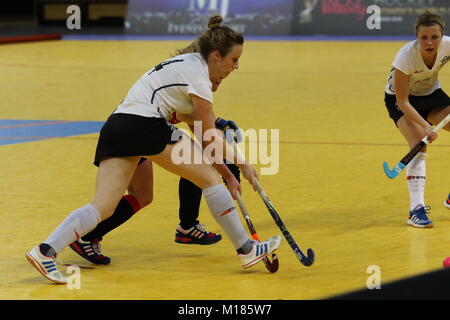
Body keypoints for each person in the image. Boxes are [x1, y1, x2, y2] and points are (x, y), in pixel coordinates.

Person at [25, 15, 281, 284]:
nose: (236, 67)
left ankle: (45, 251)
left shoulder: (184, 65)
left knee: (102, 206)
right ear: (216, 55)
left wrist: (229, 176)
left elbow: (198, 129)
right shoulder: (200, 78)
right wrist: (243, 164)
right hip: (144, 125)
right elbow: (208, 139)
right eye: (234, 60)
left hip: (117, 126)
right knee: (209, 180)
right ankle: (247, 249)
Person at [69, 117, 242, 265]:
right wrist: (232, 171)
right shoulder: (188, 86)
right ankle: (55, 246)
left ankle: (87, 236)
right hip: (138, 132)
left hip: (139, 132)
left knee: (142, 196)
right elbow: (201, 129)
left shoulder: (178, 85)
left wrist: (216, 123)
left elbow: (200, 119)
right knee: (105, 203)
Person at [384, 11, 450, 228]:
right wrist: (425, 126)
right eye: (424, 37)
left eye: (435, 37)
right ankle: (416, 210)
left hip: (431, 94)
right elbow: (402, 102)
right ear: (416, 37)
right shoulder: (405, 57)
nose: (430, 42)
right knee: (419, 142)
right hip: (401, 100)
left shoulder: (448, 46)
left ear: (442, 36)